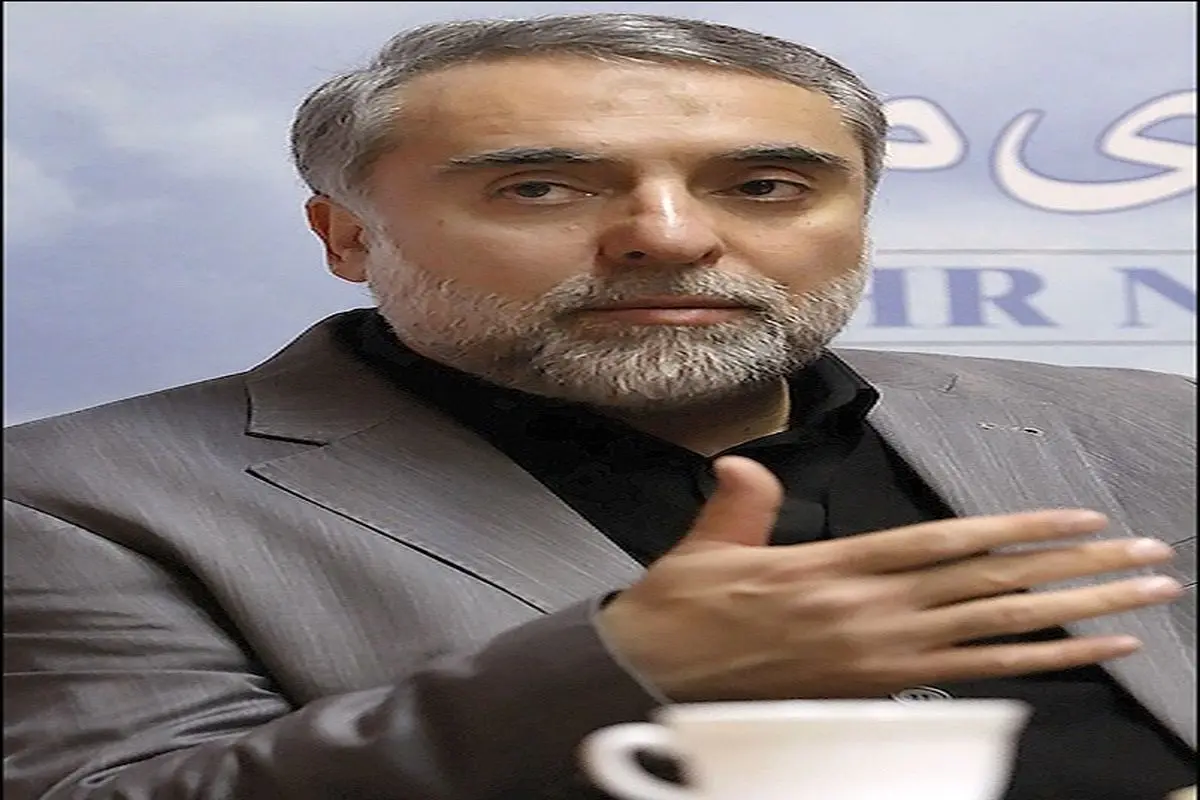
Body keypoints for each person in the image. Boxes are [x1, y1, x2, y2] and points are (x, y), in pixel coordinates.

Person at [3, 12, 1195, 800]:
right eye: (541, 187)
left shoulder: (1151, 421)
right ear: (348, 234)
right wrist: (624, 665)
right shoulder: (69, 498)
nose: (667, 237)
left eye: (764, 185)